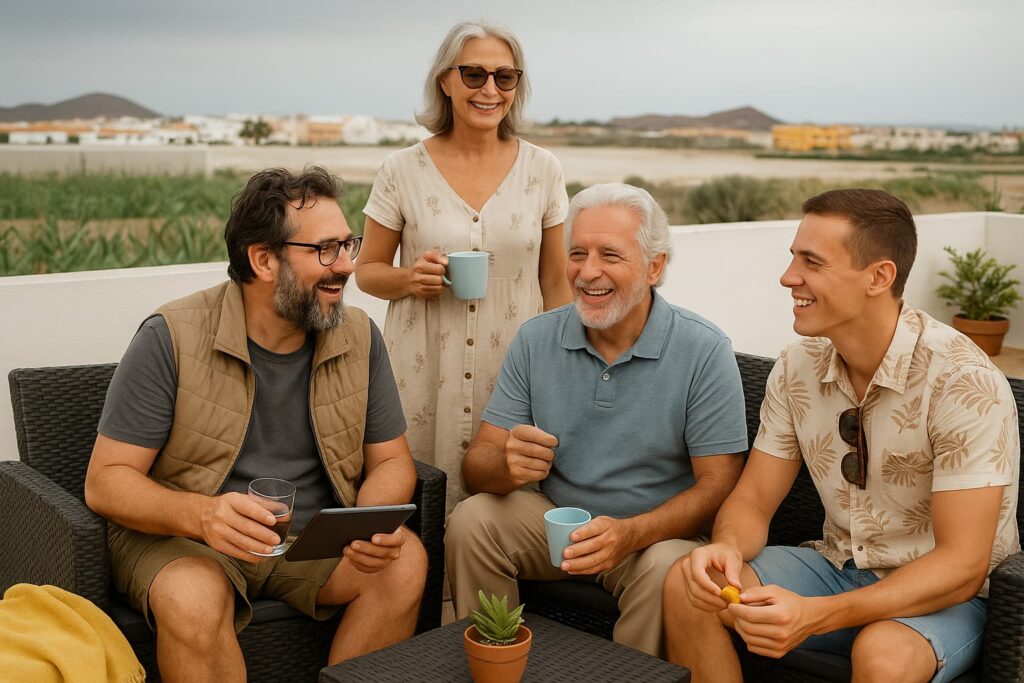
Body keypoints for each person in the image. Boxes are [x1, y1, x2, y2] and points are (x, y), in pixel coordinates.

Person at [83, 167, 428, 683]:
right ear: (263, 259)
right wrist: (201, 516)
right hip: (187, 538)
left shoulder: (359, 335)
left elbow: (391, 459)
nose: (348, 267)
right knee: (192, 597)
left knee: (404, 562)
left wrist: (368, 522)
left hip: (310, 540)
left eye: (348, 245)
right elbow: (106, 480)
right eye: (325, 250)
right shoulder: (170, 336)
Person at [663, 189, 1020, 682]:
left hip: (947, 598)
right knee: (690, 583)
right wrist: (726, 547)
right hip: (836, 566)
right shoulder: (797, 365)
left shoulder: (962, 381)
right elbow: (752, 501)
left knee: (882, 653)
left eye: (812, 262)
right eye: (793, 258)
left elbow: (962, 565)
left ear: (879, 277)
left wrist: (817, 615)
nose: (789, 277)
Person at [445, 183, 749, 657]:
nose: (588, 273)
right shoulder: (535, 338)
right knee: (472, 520)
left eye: (610, 255)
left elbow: (719, 485)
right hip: (559, 523)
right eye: (577, 253)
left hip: (654, 539)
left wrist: (632, 533)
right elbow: (477, 463)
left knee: (672, 568)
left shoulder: (704, 349)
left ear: (655, 266)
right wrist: (506, 467)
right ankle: (495, 660)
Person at [356, 20, 572, 510]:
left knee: (505, 504)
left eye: (505, 77)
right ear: (445, 81)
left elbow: (556, 281)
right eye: (473, 75)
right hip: (422, 371)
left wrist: (560, 366)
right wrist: (411, 278)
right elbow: (367, 271)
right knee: (417, 499)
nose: (490, 89)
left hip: (516, 370)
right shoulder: (400, 170)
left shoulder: (544, 170)